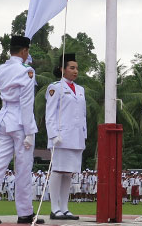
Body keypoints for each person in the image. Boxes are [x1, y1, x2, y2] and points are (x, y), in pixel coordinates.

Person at [0, 35, 43, 225]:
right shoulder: (27, 71)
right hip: (20, 121)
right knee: (23, 168)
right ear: (24, 51)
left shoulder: (0, 70)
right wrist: (29, 131)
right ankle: (25, 213)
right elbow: (27, 103)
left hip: (4, 118)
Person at [45, 53, 86, 221]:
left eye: (76, 68)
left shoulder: (81, 90)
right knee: (58, 170)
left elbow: (82, 115)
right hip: (61, 136)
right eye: (72, 68)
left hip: (76, 137)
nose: (75, 71)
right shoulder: (55, 87)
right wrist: (53, 134)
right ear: (62, 69)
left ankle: (64, 207)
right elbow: (50, 113)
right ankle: (54, 208)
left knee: (69, 173)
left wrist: (83, 134)